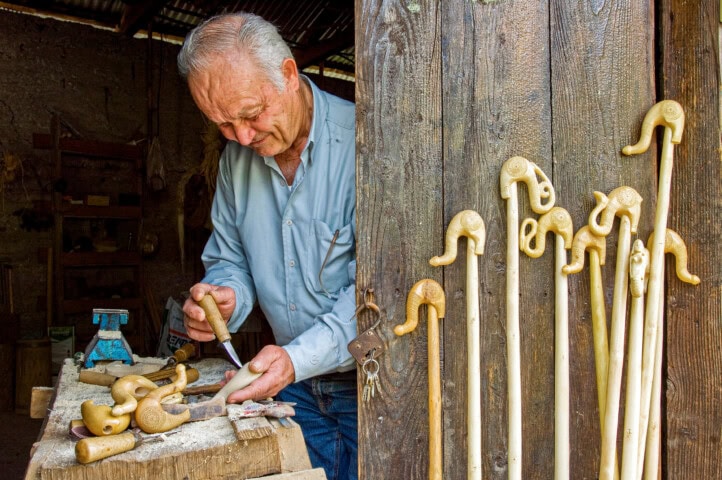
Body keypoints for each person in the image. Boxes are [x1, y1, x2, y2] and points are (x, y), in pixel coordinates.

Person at [177, 12, 358, 480]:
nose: (241, 138)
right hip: (289, 392)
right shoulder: (237, 162)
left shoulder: (367, 143)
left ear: (289, 74)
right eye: (223, 124)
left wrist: (294, 360)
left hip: (371, 386)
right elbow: (230, 257)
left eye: (251, 114)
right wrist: (227, 296)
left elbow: (383, 291)